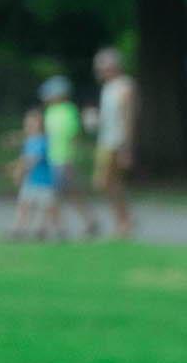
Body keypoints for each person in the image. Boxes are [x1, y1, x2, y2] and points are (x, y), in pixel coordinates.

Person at [91, 44, 140, 238]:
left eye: (103, 67)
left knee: (105, 182)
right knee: (108, 183)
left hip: (117, 142)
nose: (101, 71)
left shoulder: (125, 86)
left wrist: (126, 147)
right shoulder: (107, 88)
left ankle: (124, 220)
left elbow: (128, 118)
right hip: (105, 140)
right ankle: (124, 219)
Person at [48, 65, 98, 235]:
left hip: (64, 159)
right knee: (62, 194)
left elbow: (73, 136)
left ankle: (64, 226)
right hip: (52, 158)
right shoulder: (50, 112)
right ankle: (78, 223)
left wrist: (71, 159)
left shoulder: (68, 111)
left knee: (63, 194)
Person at [10, 83, 62, 236]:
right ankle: (18, 229)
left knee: (48, 208)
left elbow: (32, 160)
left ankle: (54, 229)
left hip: (44, 181)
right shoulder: (29, 141)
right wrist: (18, 167)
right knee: (24, 206)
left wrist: (19, 170)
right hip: (31, 181)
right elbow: (24, 158)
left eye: (33, 123)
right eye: (28, 123)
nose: (29, 126)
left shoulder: (42, 141)